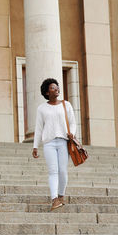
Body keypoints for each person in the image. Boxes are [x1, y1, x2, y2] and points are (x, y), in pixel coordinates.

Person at [32, 78, 76, 211]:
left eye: (57, 87)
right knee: (52, 171)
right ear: (46, 92)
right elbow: (39, 128)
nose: (56, 89)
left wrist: (72, 133)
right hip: (49, 143)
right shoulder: (42, 108)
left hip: (63, 141)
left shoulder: (66, 105)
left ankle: (61, 195)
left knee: (62, 171)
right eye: (52, 87)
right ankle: (54, 199)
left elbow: (73, 122)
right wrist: (35, 146)